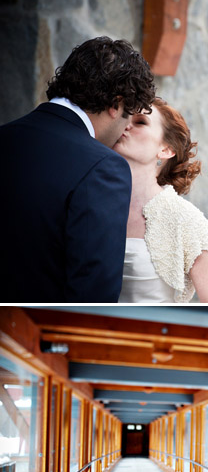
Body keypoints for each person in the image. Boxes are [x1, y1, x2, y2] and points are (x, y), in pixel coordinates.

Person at [0, 36, 156, 303]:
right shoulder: (103, 168)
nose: (124, 130)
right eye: (128, 117)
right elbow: (93, 293)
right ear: (116, 105)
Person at [113, 98, 208, 302]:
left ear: (166, 150)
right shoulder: (90, 202)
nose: (126, 125)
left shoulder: (187, 221)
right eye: (124, 118)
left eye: (140, 122)